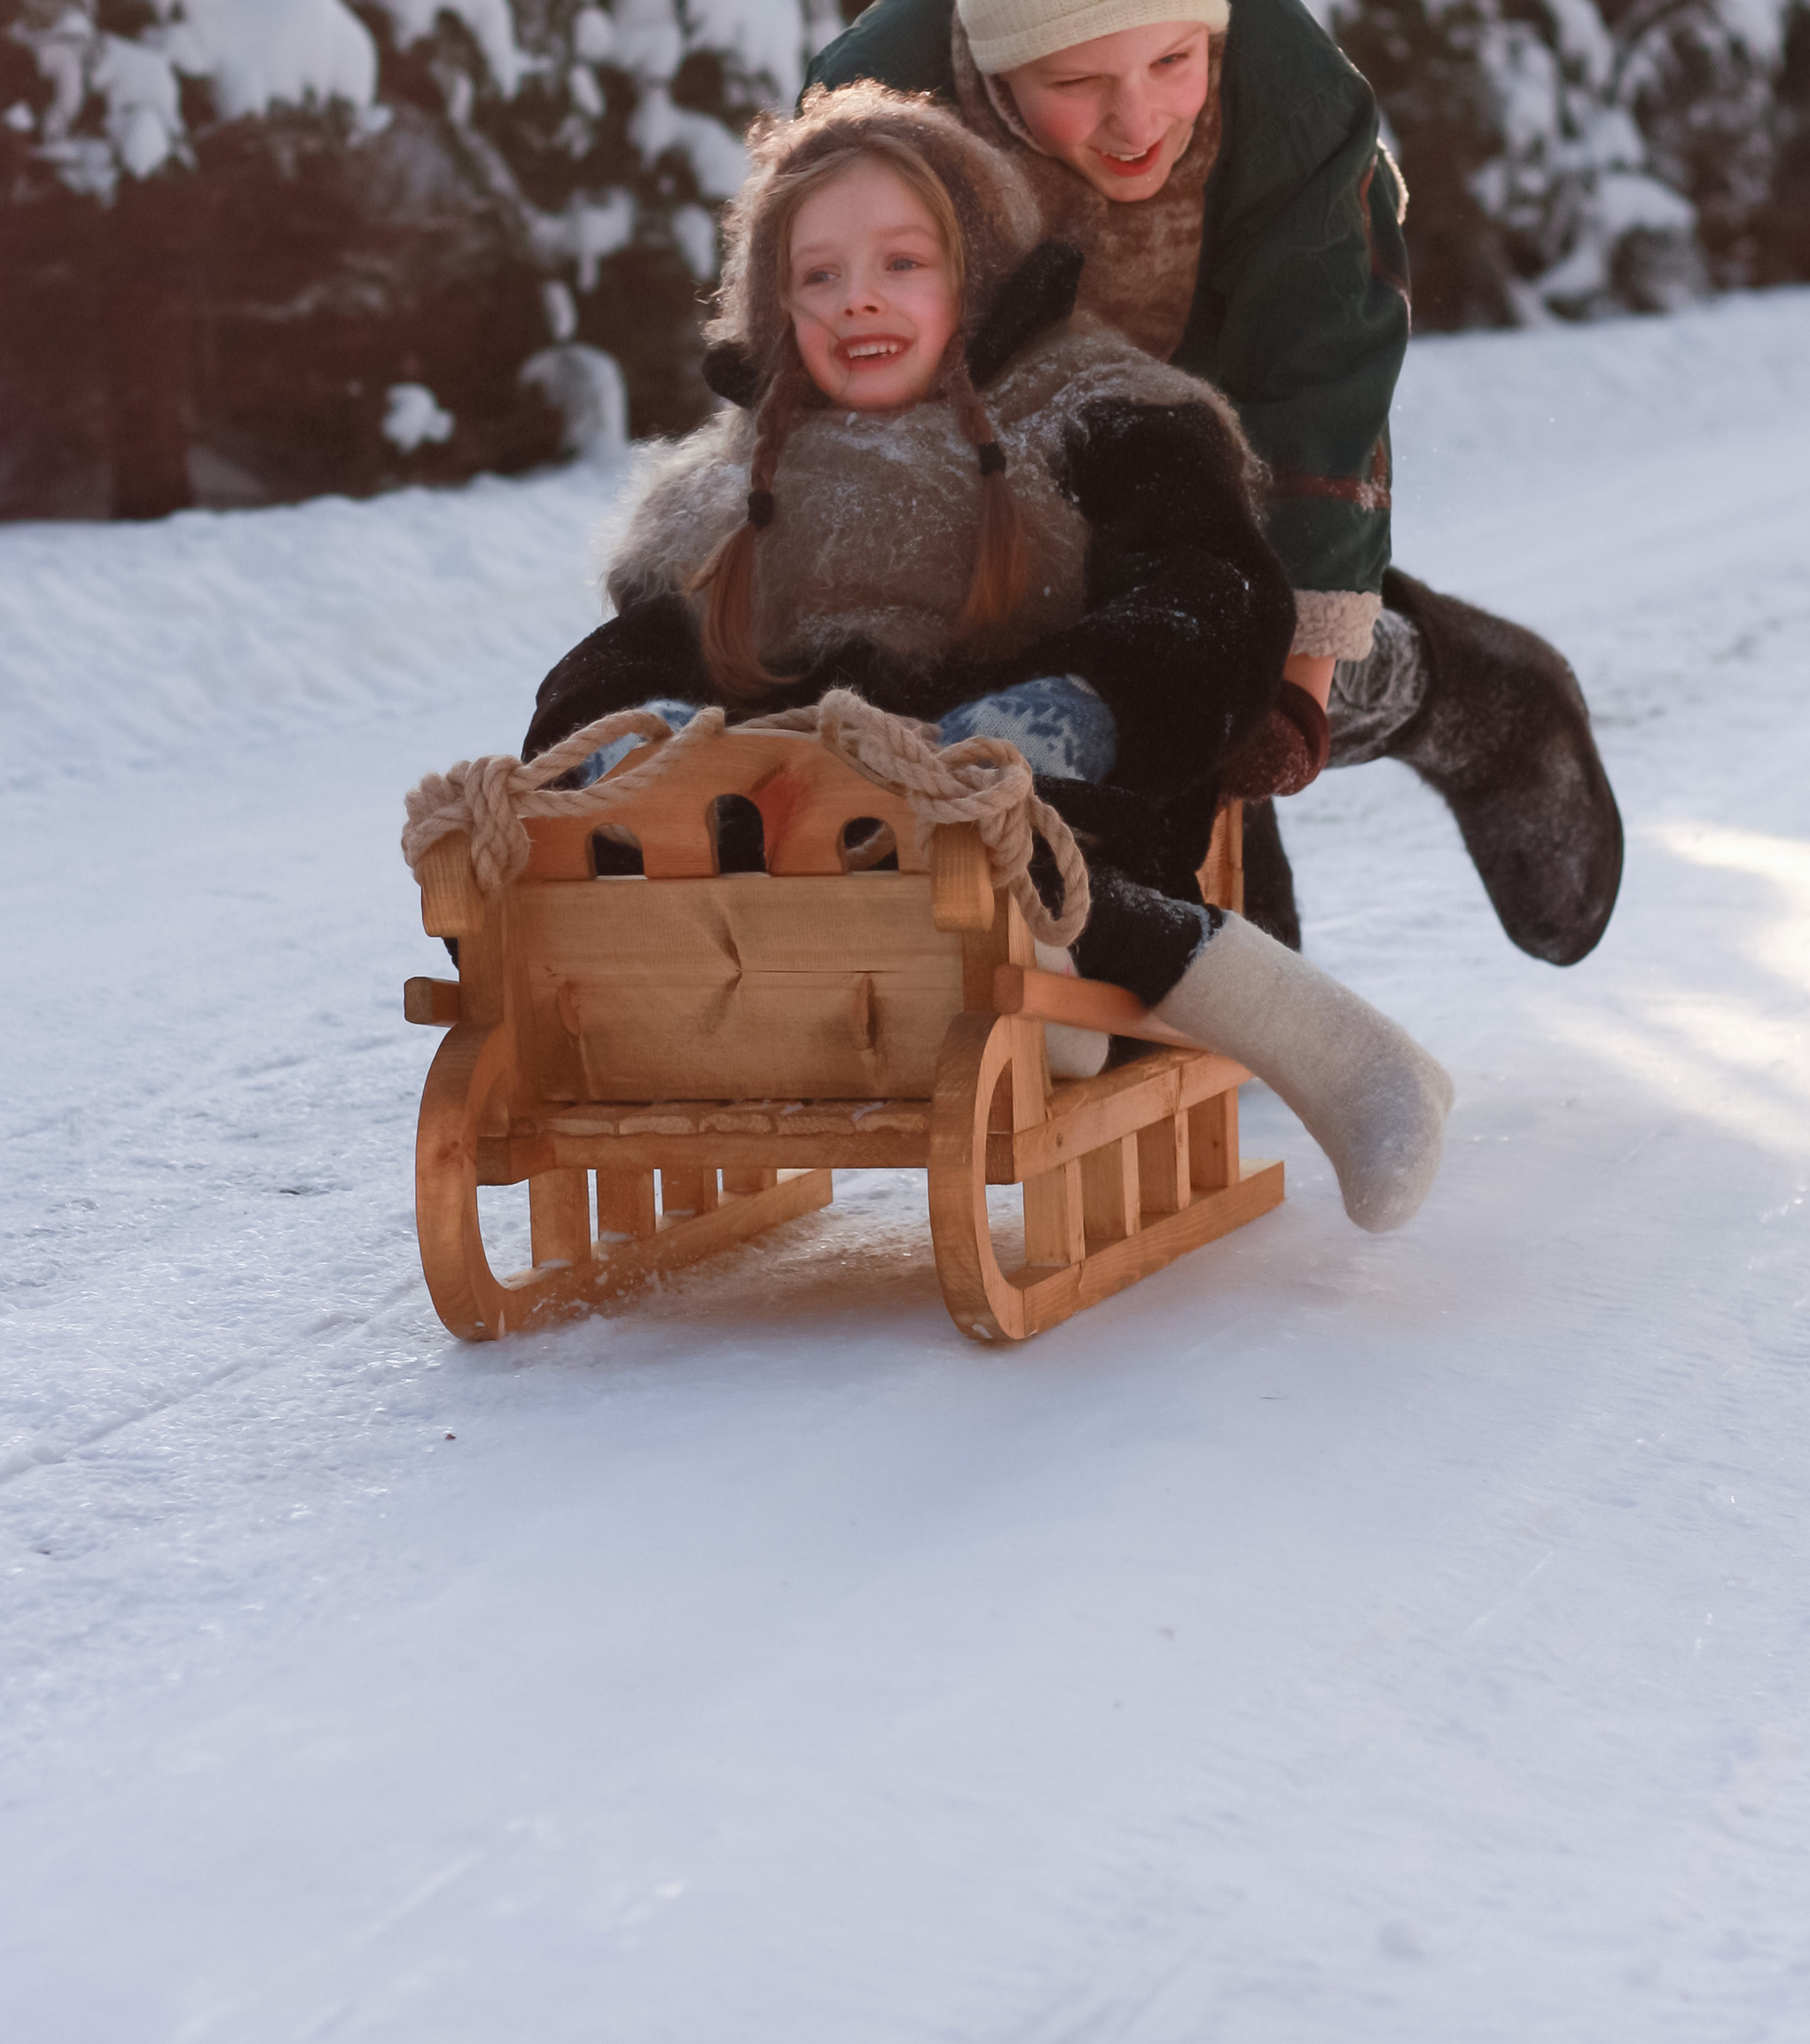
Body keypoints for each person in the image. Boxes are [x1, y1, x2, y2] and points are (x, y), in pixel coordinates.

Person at [523, 82, 1453, 1233]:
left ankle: (1340, 1056)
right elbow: (643, 645)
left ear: (979, 267)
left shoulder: (1095, 410)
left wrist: (1076, 705)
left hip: (1044, 809)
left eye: (901, 263)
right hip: (789, 848)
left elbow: (1213, 593)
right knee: (649, 772)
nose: (857, 299)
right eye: (818, 276)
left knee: (1021, 863)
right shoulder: (726, 487)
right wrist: (614, 741)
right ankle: (805, 991)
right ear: (773, 303)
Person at [801, 0, 1626, 969]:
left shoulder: (1295, 113)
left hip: (1225, 409)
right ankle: (1175, 928)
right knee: (1041, 645)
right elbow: (814, 370)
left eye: (1175, 62)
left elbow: (1321, 390)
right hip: (1000, 431)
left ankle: (1479, 701)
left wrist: (1293, 692)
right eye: (1078, 83)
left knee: (1233, 659)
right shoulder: (873, 127)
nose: (1139, 119)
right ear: (996, 68)